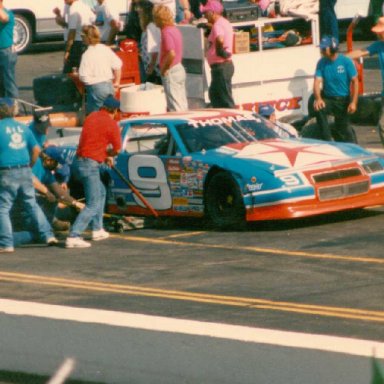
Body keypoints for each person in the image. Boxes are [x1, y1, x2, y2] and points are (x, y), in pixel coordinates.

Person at [0, 98, 58, 252]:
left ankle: (6, 243)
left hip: (6, 170)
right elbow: (36, 150)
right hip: (24, 169)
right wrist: (29, 165)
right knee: (31, 204)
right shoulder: (23, 128)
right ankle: (48, 234)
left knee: (3, 207)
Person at [65, 95, 122, 248]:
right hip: (90, 164)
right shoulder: (112, 124)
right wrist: (108, 155)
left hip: (78, 162)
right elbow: (117, 149)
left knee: (101, 192)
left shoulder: (91, 117)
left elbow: (92, 140)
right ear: (115, 110)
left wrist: (103, 155)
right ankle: (74, 235)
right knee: (92, 203)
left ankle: (97, 228)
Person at [313, 36, 358, 143]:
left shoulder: (345, 61)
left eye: (324, 49)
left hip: (343, 100)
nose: (322, 51)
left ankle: (353, 148)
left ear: (333, 49)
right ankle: (327, 139)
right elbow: (317, 81)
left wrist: (354, 102)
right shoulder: (321, 63)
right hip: (329, 98)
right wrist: (318, 98)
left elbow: (355, 81)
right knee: (319, 108)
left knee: (343, 129)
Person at [347, 17, 384, 144]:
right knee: (383, 126)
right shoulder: (379, 46)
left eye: (381, 32)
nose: (378, 34)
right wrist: (339, 58)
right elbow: (361, 52)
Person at [79, 25, 122, 115]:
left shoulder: (87, 54)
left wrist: (93, 81)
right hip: (109, 86)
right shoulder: (105, 49)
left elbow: (83, 76)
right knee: (110, 113)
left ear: (87, 38)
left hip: (96, 88)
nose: (81, 38)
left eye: (82, 36)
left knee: (93, 116)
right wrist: (117, 83)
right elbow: (118, 65)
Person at [153, 4, 188, 111]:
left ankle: (179, 126)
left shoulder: (166, 32)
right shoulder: (174, 29)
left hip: (171, 70)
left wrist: (164, 69)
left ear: (159, 19)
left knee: (174, 105)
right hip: (179, 67)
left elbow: (171, 53)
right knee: (181, 101)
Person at [201, 0, 235, 108]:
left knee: (225, 100)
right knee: (216, 96)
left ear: (212, 12)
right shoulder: (223, 22)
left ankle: (232, 121)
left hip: (221, 66)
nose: (204, 15)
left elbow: (220, 39)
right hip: (221, 67)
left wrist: (220, 51)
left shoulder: (217, 25)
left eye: (206, 12)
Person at [63, 0, 95, 74]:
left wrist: (67, 50)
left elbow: (72, 32)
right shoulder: (86, 7)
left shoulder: (73, 9)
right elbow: (93, 21)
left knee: (69, 73)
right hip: (86, 42)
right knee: (83, 69)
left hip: (76, 45)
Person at [137, 1, 161, 84]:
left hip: (154, 69)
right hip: (149, 66)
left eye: (140, 13)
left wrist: (151, 68)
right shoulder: (148, 27)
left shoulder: (151, 27)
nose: (138, 15)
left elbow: (155, 49)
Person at [0, 0, 18, 99]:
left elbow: (4, 18)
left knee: (9, 82)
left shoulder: (7, 13)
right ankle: (4, 109)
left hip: (6, 52)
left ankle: (14, 109)